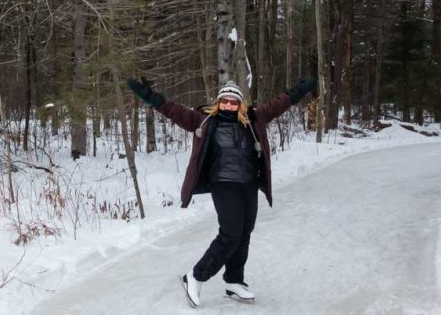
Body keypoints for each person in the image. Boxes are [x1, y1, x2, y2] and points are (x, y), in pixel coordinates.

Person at [126, 76, 317, 308]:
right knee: (231, 234)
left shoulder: (254, 118)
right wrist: (148, 95)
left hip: (248, 183)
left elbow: (281, 103)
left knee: (245, 232)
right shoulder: (203, 120)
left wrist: (300, 90)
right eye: (224, 101)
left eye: (233, 102)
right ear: (218, 102)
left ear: (240, 104)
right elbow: (170, 109)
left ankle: (234, 280)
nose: (228, 105)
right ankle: (195, 276)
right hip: (223, 183)